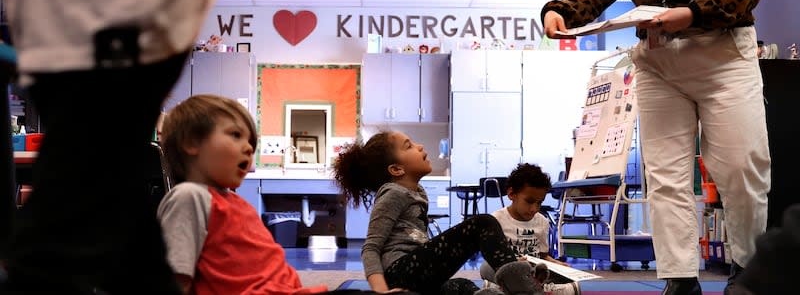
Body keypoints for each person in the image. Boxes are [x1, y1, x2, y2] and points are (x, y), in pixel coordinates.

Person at [0, 0, 254, 293]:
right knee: (115, 223)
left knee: (54, 232)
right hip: (56, 21)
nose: (247, 149)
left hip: (117, 13)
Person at [540, 0, 769, 294]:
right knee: (665, 175)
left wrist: (692, 13)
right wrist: (559, 11)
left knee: (742, 167)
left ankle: (748, 269)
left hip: (723, 57)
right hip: (660, 63)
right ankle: (680, 279)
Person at [332, 131, 551, 295]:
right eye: (409, 146)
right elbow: (371, 247)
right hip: (401, 273)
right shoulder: (392, 193)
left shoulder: (416, 192)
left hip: (416, 276)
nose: (419, 146)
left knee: (463, 286)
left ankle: (510, 282)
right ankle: (523, 287)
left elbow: (417, 243)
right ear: (397, 169)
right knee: (483, 222)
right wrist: (380, 291)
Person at [157, 94, 330, 295]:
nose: (249, 148)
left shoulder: (237, 202)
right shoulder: (189, 197)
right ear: (192, 142)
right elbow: (175, 279)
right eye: (236, 135)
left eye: (250, 141)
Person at [478, 164, 580, 295]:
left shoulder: (542, 221)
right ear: (511, 194)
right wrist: (513, 263)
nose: (534, 209)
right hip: (508, 270)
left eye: (539, 203)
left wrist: (557, 264)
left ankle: (502, 290)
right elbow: (492, 258)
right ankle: (543, 290)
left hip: (534, 271)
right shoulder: (496, 220)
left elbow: (543, 257)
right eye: (529, 201)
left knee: (563, 274)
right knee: (486, 267)